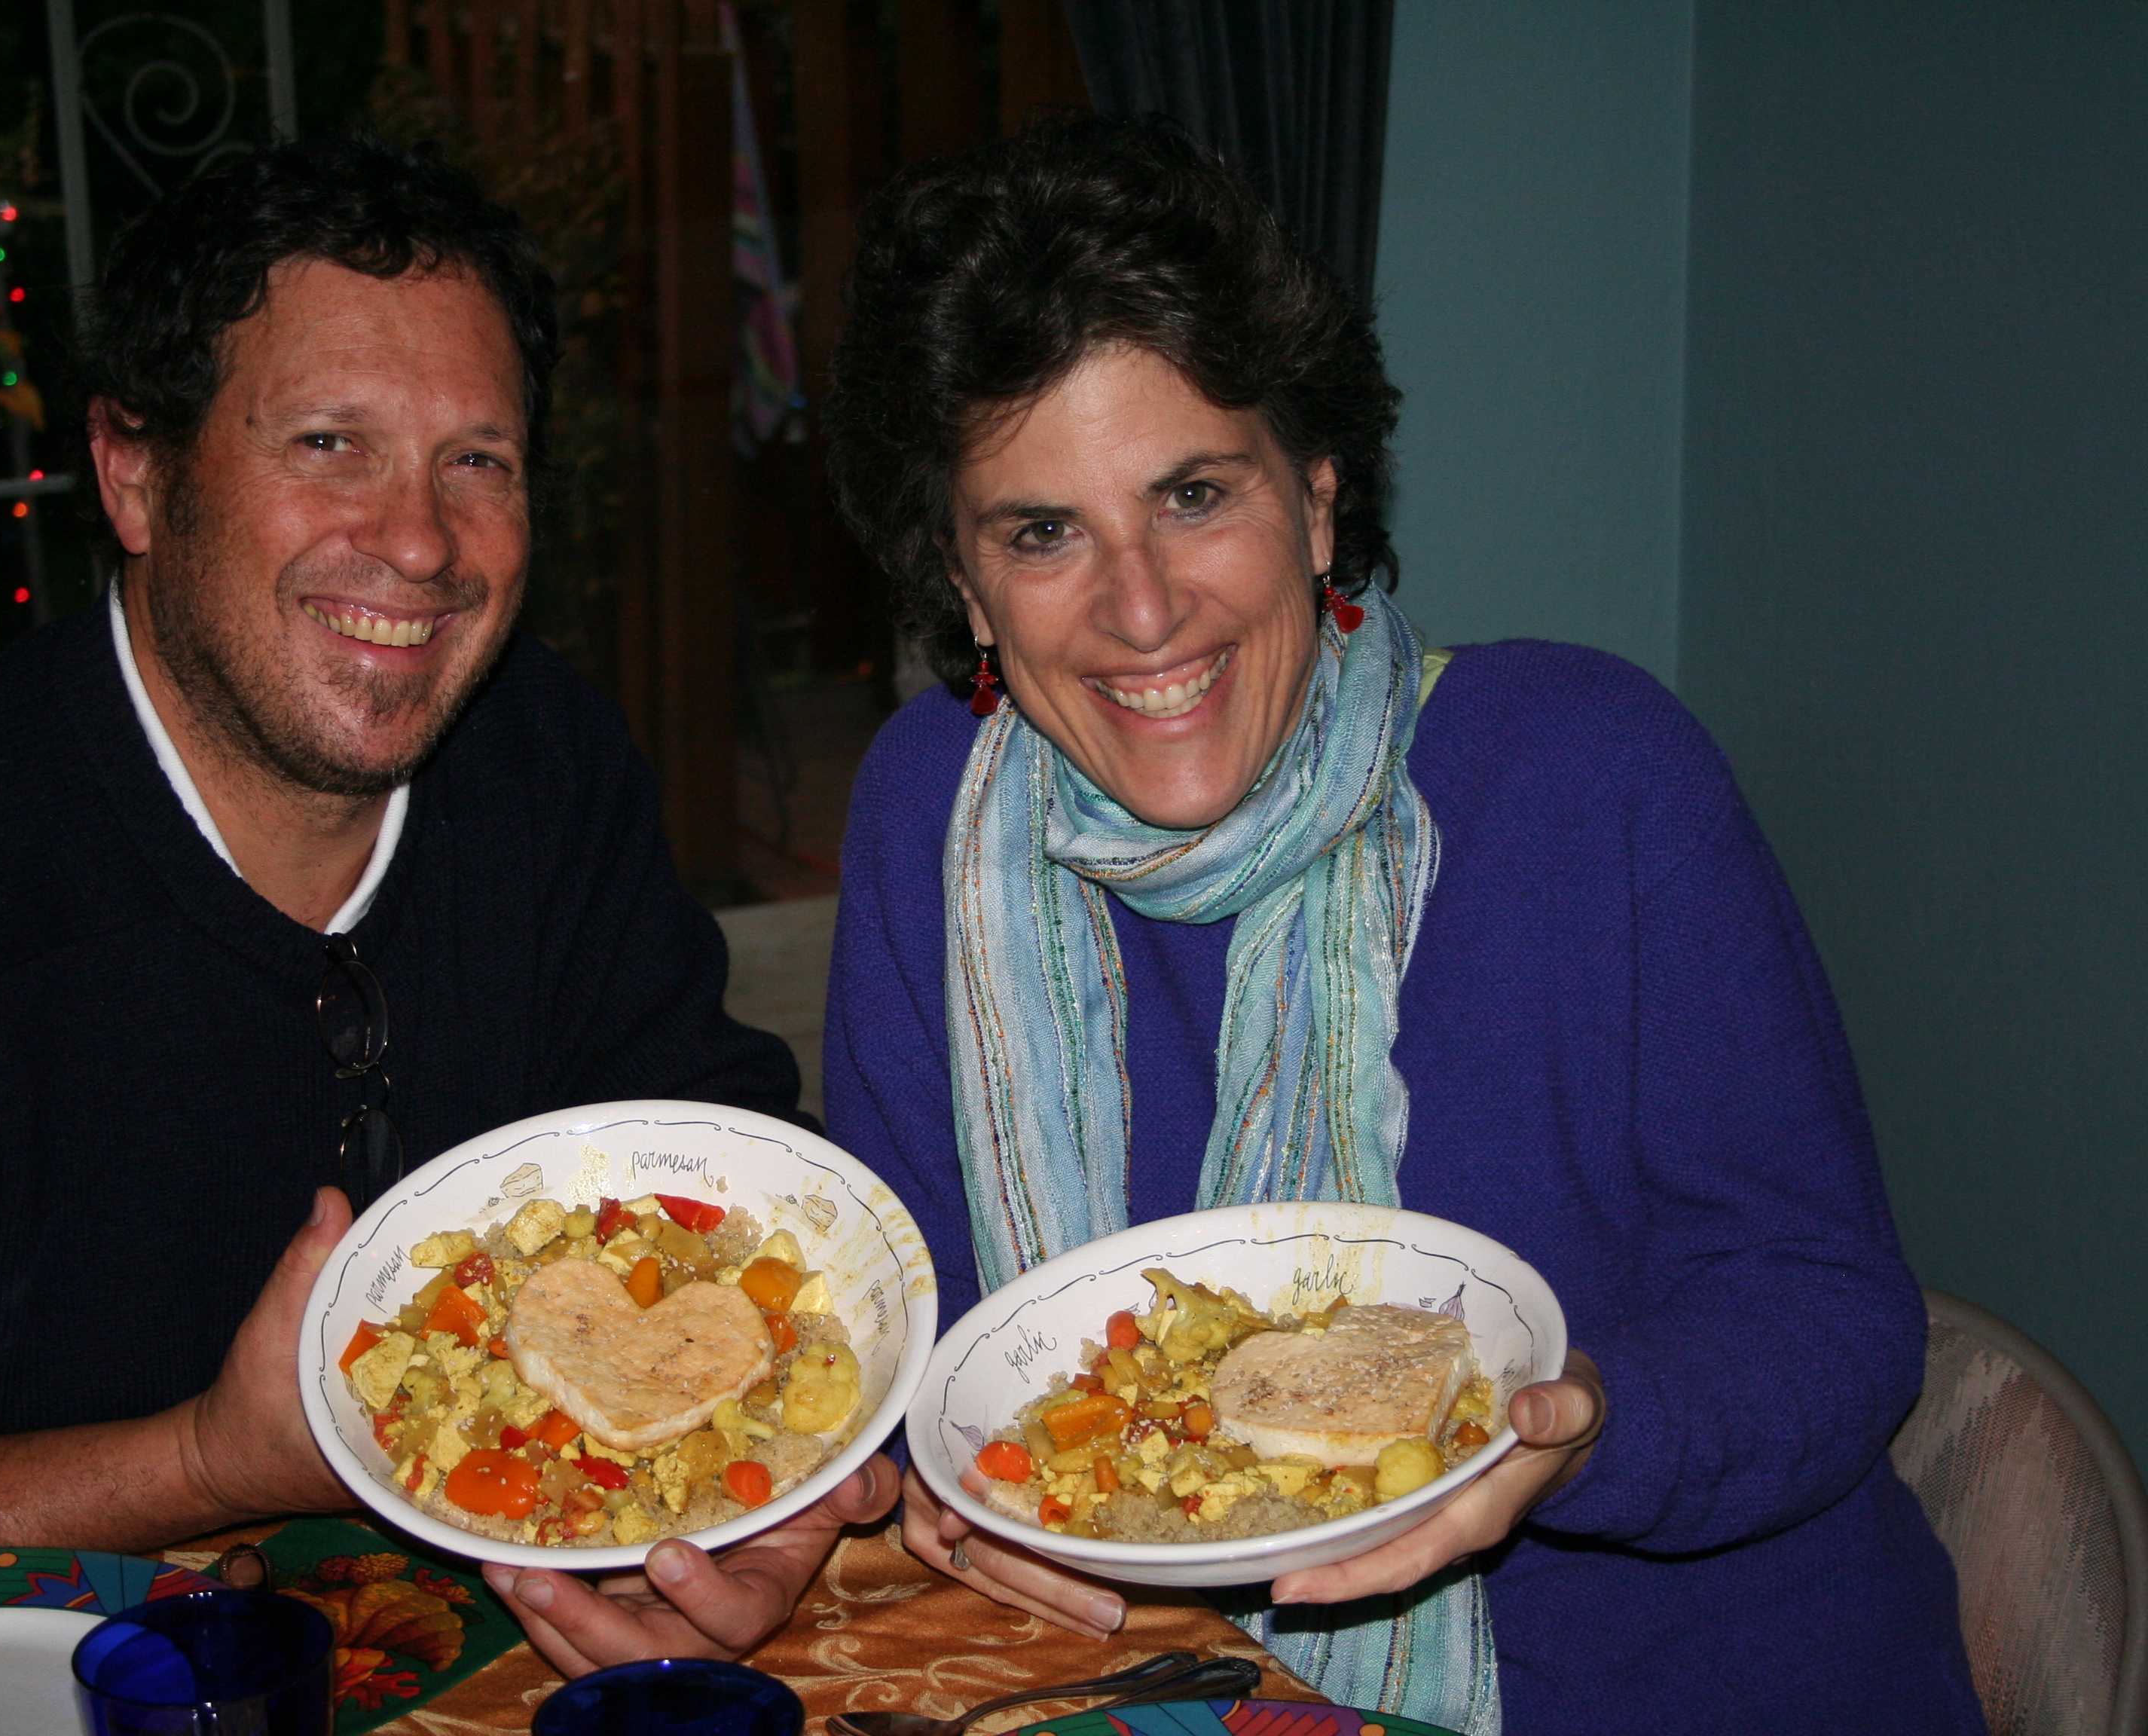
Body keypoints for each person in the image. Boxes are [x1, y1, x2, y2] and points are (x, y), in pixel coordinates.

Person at [0, 136, 893, 1673]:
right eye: (328, 442)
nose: (419, 540)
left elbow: (722, 1159)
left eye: (478, 460)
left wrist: (760, 1497)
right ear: (136, 474)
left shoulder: (547, 769)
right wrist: (202, 1460)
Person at [817, 118, 1985, 1736]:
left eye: (1194, 494)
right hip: (1158, 1687)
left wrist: (1588, 1428)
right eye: (1041, 532)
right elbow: (922, 1310)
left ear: (1315, 499)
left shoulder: (1593, 774)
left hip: (1677, 1682)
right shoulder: (925, 814)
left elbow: (1832, 1314)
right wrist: (942, 1478)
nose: (1140, 609)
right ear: (962, 581)